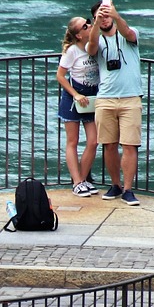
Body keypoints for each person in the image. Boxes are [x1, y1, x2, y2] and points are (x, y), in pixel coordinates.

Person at [86, 0, 143, 207]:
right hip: (105, 99)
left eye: (106, 15)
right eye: (99, 17)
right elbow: (91, 48)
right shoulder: (96, 39)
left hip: (130, 98)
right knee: (109, 145)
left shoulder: (129, 34)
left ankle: (128, 190)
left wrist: (114, 14)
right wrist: (95, 24)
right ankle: (115, 184)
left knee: (129, 145)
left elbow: (128, 32)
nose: (104, 20)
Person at [55, 15, 101, 196]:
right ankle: (77, 182)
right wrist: (75, 94)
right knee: (72, 141)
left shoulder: (94, 46)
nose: (89, 25)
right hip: (73, 99)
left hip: (91, 98)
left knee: (93, 141)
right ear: (79, 35)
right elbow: (60, 76)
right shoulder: (72, 51)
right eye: (84, 26)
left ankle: (82, 179)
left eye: (88, 22)